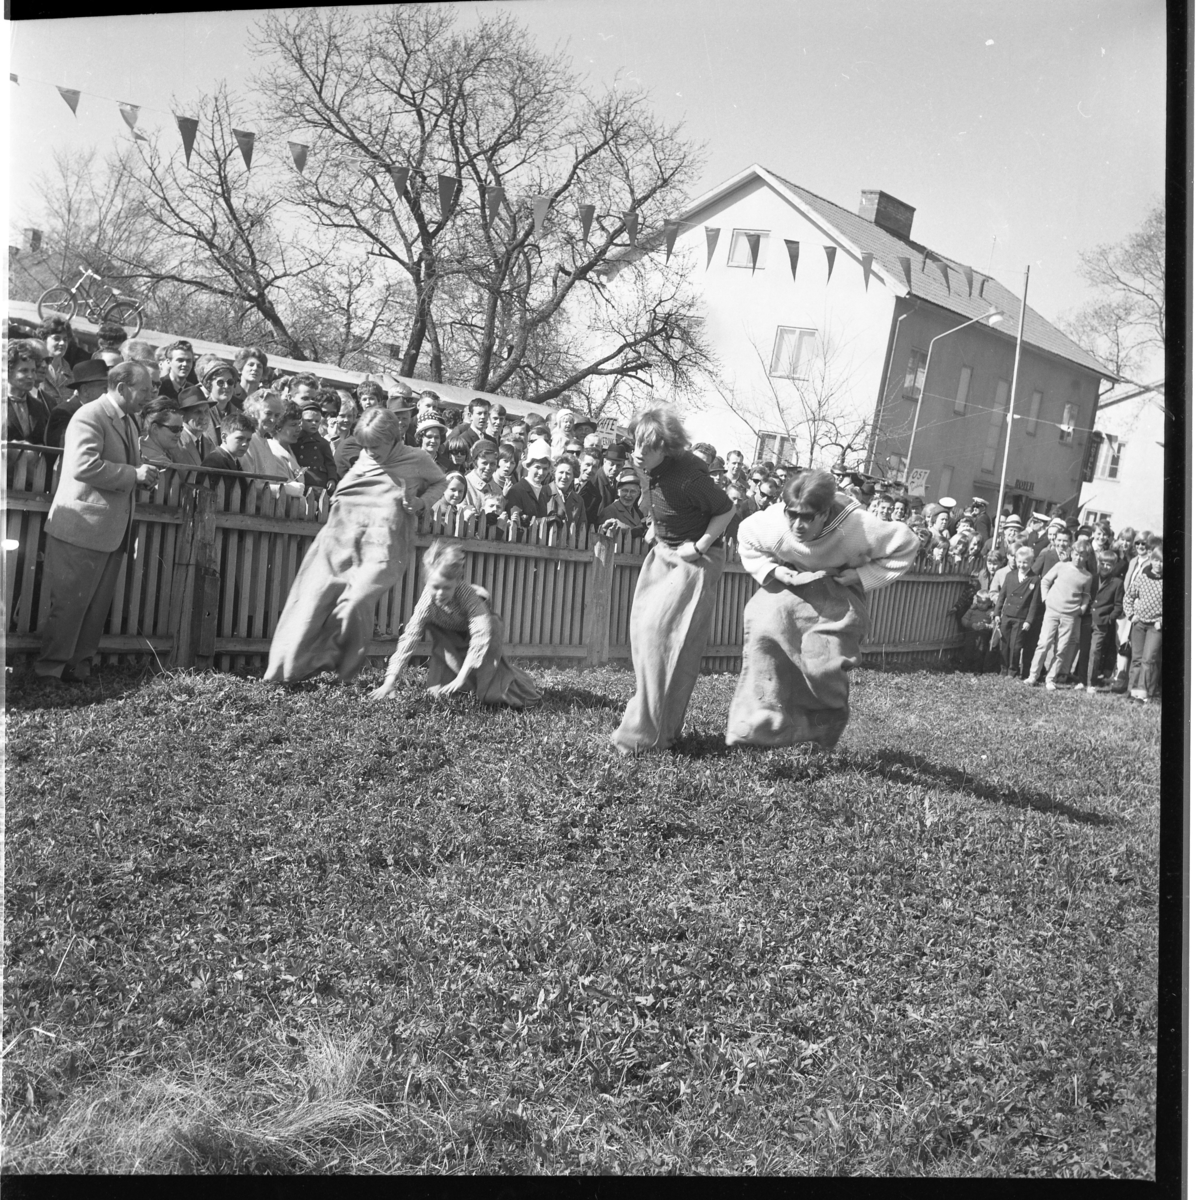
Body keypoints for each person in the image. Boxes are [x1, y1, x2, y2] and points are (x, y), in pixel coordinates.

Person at [725, 468, 919, 750]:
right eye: (792, 514)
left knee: (822, 662)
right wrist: (774, 571)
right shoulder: (774, 523)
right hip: (791, 584)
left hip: (837, 590)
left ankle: (821, 730)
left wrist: (862, 576)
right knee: (763, 638)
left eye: (807, 517)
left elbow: (907, 545)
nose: (798, 525)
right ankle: (761, 726)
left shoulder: (858, 527)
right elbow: (746, 537)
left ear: (825, 513)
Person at [265, 409, 422, 684]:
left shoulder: (416, 459)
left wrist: (419, 503)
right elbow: (344, 492)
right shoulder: (364, 458)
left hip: (379, 547)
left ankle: (343, 670)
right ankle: (288, 668)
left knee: (354, 603)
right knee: (313, 599)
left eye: (376, 446)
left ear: (393, 440)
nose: (370, 452)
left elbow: (439, 483)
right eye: (366, 447)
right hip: (341, 538)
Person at [611, 408, 735, 754]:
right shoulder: (649, 466)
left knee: (665, 645)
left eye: (647, 447)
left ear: (666, 447)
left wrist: (699, 546)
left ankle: (648, 735)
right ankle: (656, 728)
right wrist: (654, 527)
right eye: (636, 444)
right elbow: (662, 502)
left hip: (694, 562)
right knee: (645, 638)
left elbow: (726, 510)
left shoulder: (689, 476)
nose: (638, 452)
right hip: (665, 553)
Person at [34, 361, 160, 683]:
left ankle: (79, 668)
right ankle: (49, 672)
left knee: (95, 609)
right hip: (81, 529)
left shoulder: (129, 421)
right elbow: (83, 467)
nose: (150, 395)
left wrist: (141, 478)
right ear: (121, 388)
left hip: (110, 531)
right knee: (69, 605)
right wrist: (134, 474)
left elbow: (118, 468)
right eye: (144, 389)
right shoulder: (88, 416)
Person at [369, 538, 542, 708]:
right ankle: (462, 681)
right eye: (435, 587)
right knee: (438, 694)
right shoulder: (426, 602)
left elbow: (481, 634)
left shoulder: (466, 594)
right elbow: (409, 639)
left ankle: (507, 683)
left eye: (447, 588)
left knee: (492, 693)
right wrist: (389, 681)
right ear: (426, 582)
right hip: (448, 634)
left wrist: (462, 676)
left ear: (457, 582)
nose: (440, 593)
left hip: (482, 634)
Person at [1024, 536, 1094, 690]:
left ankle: (1051, 678)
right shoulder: (1061, 566)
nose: (1078, 557)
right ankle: (1033, 676)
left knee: (1061, 649)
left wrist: (1082, 608)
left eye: (1082, 555)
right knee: (1043, 644)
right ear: (1071, 553)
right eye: (1076, 553)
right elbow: (1045, 581)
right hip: (1052, 611)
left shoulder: (1087, 576)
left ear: (1087, 557)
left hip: (1070, 616)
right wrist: (1046, 599)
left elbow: (1086, 595)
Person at [995, 545, 1042, 678]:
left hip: (1021, 618)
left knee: (1015, 647)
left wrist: (1029, 621)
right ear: (1015, 560)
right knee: (1004, 644)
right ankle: (1003, 669)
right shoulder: (1010, 575)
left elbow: (1034, 603)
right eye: (1019, 561)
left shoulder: (1034, 579)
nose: (1022, 565)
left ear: (1031, 562)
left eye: (1025, 562)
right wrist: (997, 613)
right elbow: (1001, 596)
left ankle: (1013, 671)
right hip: (1007, 615)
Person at [1122, 548, 1162, 702]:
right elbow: (1128, 597)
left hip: (1155, 627)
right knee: (1137, 659)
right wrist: (1132, 615)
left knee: (1149, 659)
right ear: (1151, 560)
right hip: (1139, 624)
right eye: (1156, 560)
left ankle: (1145, 694)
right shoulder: (1143, 578)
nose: (1158, 564)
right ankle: (1132, 692)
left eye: (1162, 561)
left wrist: (1161, 621)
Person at [1085, 550, 1125, 692]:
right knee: (1084, 649)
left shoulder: (1117, 583)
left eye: (1109, 564)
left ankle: (1091, 682)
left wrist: (1109, 619)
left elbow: (1118, 605)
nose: (1105, 567)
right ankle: (1081, 679)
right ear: (1098, 563)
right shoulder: (1092, 578)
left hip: (1102, 622)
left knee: (1095, 651)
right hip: (1087, 618)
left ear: (1113, 566)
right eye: (1102, 563)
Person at [45, 360, 110, 448]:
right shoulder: (64, 413)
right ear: (85, 390)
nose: (108, 393)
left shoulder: (105, 412)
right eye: (105, 388)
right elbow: (66, 448)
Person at [202, 410, 257, 506]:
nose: (245, 444)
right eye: (239, 438)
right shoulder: (215, 462)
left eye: (248, 440)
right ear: (224, 437)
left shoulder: (234, 460)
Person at [6, 340, 54, 445]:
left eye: (33, 370)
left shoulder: (37, 406)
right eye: (24, 371)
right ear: (7, 371)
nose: (31, 376)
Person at [138, 397, 198, 473]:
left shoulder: (137, 447)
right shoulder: (158, 463)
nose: (179, 434)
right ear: (155, 429)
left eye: (181, 429)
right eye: (174, 429)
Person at [294, 400, 338, 489]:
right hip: (300, 480)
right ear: (300, 421)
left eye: (317, 421)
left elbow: (330, 464)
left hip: (319, 481)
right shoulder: (295, 441)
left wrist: (332, 479)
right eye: (309, 420)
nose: (314, 423)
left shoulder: (323, 443)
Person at [581, 444, 625, 528]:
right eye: (611, 464)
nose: (615, 468)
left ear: (623, 465)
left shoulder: (615, 483)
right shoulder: (594, 480)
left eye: (618, 465)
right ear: (604, 461)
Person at [598, 467, 648, 537]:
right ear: (618, 492)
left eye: (633, 491)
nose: (628, 495)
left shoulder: (635, 512)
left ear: (638, 493)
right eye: (625, 490)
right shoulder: (610, 511)